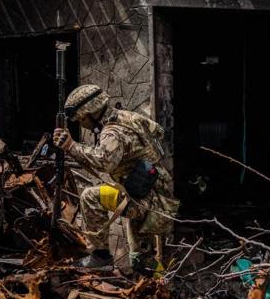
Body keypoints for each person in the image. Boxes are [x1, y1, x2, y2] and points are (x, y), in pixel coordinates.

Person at [53, 84, 179, 270]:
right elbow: (158, 132)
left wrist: (71, 146)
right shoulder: (127, 117)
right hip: (152, 193)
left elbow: (104, 162)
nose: (82, 125)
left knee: (89, 196)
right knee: (141, 259)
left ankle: (100, 257)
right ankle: (159, 289)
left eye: (81, 119)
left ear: (91, 114)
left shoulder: (112, 132)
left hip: (143, 200)